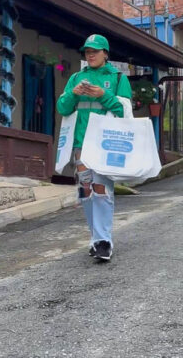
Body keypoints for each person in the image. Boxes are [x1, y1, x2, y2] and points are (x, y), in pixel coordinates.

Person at [57, 34, 132, 261]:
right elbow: (63, 108)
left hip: (105, 145)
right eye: (87, 51)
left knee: (102, 190)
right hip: (80, 144)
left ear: (105, 53)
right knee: (85, 192)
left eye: (95, 51)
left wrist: (104, 94)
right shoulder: (76, 78)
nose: (90, 54)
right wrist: (73, 94)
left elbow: (124, 110)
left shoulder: (118, 78)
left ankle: (103, 241)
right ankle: (95, 238)